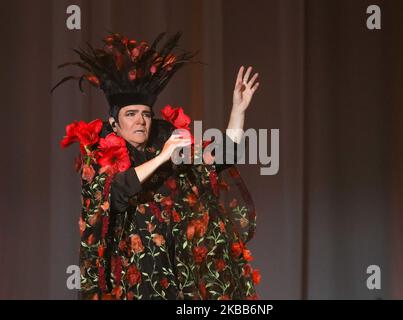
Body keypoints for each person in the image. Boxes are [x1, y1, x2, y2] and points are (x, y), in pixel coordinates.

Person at [54, 32, 261, 300]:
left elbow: (222, 155)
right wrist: (163, 158)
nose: (140, 121)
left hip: (175, 274)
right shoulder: (100, 156)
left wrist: (237, 111)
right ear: (115, 123)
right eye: (131, 114)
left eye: (145, 114)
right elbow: (115, 193)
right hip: (131, 279)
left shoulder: (166, 141)